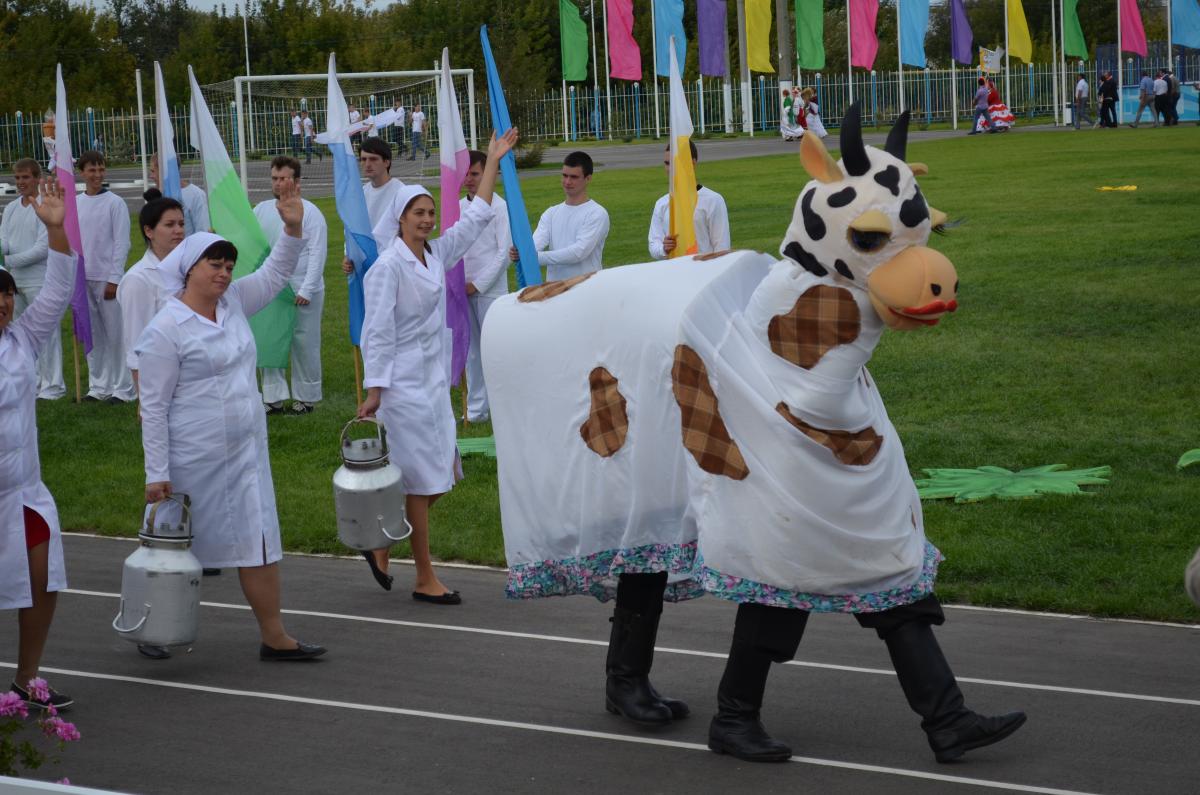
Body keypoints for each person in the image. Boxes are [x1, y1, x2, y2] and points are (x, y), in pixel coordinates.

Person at [135, 180, 326, 662]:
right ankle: (153, 626)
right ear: (188, 268)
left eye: (227, 266)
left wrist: (293, 227)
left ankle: (274, 635)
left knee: (259, 540)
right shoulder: (166, 328)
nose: (223, 274)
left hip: (246, 453)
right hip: (192, 458)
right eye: (213, 265)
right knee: (178, 548)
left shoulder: (235, 302)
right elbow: (152, 406)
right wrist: (157, 473)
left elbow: (278, 269)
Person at [357, 129, 518, 601]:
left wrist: (491, 163)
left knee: (443, 473)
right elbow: (377, 332)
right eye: (418, 214)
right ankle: (424, 576)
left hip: (433, 382)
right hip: (401, 387)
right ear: (400, 218)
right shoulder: (388, 267)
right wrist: (375, 389)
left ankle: (383, 541)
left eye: (430, 213)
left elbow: (475, 220)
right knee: (426, 476)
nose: (427, 220)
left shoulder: (435, 254)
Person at [1, 178, 77, 710]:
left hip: (23, 490)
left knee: (42, 575)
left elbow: (58, 289)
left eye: (6, 295)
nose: (4, 304)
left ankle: (28, 677)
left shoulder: (23, 338)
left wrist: (55, 229)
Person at [253, 156, 328, 415]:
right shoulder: (261, 210)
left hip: (302, 288)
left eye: (284, 178)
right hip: (271, 287)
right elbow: (251, 244)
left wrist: (307, 288)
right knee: (269, 339)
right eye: (275, 178)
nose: (279, 183)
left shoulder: (311, 212)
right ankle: (272, 397)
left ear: (296, 181)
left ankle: (306, 396)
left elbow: (318, 252)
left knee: (304, 342)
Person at [1, 159, 64, 400]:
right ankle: (34, 381)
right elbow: (4, 241)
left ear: (37, 178)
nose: (20, 183)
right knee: (20, 335)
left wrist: (9, 261)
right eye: (17, 178)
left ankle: (54, 385)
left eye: (25, 178)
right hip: (14, 282)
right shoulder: (11, 209)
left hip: (40, 279)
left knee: (47, 335)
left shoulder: (45, 206)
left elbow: (42, 248)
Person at [76, 149, 134, 403]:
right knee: (93, 334)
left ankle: (123, 387)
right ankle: (99, 385)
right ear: (82, 173)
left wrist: (115, 278)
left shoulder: (115, 203)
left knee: (115, 334)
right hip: (83, 277)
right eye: (92, 170)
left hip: (106, 278)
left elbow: (122, 243)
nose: (97, 174)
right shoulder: (76, 203)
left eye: (101, 169)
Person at [117, 193, 185, 401]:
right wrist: (145, 399)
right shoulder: (138, 279)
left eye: (182, 223)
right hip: (162, 380)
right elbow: (136, 344)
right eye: (170, 224)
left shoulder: (187, 268)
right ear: (149, 231)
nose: (179, 231)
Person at [460, 149, 512, 424]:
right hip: (462, 290)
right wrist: (459, 283)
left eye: (475, 174)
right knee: (471, 351)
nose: (469, 179)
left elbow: (503, 253)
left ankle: (503, 407)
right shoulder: (458, 207)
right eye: (466, 174)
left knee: (494, 351)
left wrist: (478, 285)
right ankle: (476, 410)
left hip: (490, 291)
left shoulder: (499, 206)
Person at [518, 151, 610, 282]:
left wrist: (533, 257)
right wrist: (522, 250)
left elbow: (579, 252)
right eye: (565, 175)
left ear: (588, 178)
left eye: (574, 177)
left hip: (586, 288)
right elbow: (535, 244)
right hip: (554, 290)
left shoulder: (597, 213)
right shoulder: (551, 213)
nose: (567, 182)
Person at [647, 141, 730, 260]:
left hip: (703, 274)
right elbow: (654, 245)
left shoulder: (713, 200)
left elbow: (722, 249)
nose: (670, 169)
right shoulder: (662, 204)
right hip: (673, 274)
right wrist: (664, 249)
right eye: (667, 163)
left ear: (692, 163)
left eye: (675, 163)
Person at [149, 154, 210, 236]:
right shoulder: (156, 195)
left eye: (153, 171)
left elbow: (203, 231)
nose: (151, 176)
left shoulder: (196, 195)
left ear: (165, 171)